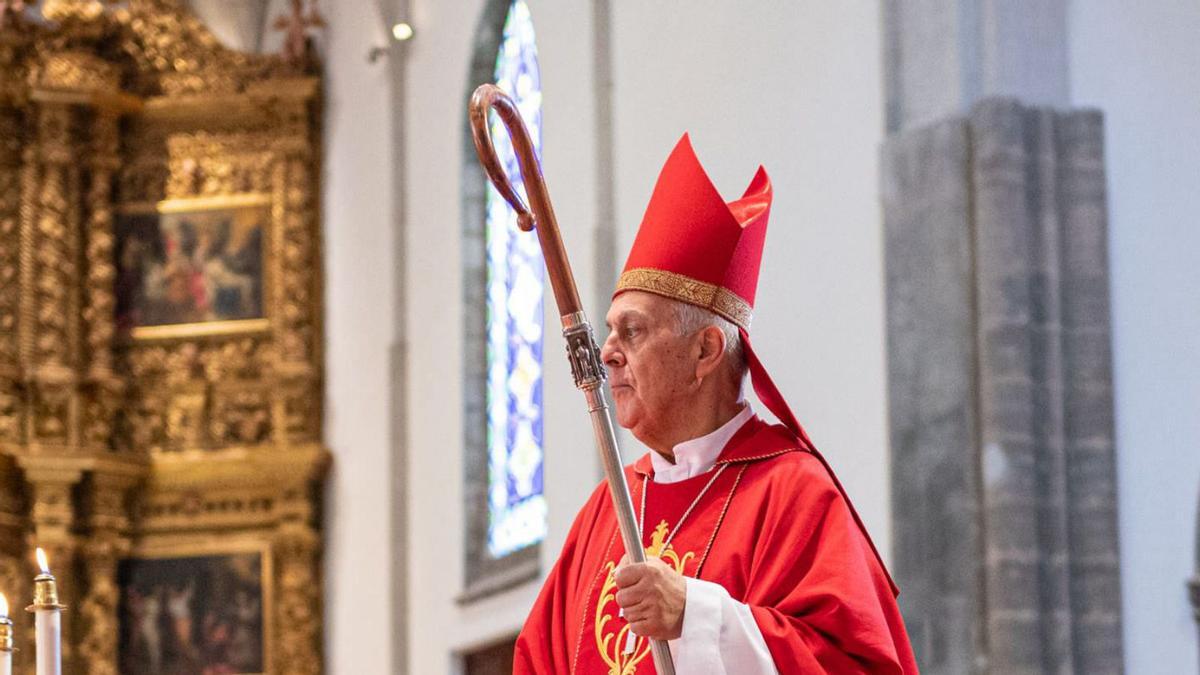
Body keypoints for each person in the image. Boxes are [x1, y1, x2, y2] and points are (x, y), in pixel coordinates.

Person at [514, 135, 919, 674]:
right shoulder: (606, 512)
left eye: (632, 332)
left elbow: (853, 665)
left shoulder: (793, 495)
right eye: (610, 332)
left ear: (705, 350)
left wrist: (695, 616)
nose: (608, 353)